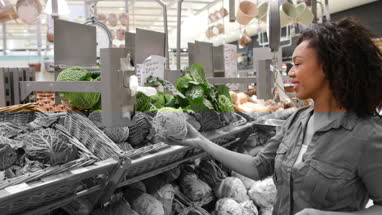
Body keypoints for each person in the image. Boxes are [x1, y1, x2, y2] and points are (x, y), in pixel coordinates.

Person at [167, 17, 382, 215]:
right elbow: (258, 166)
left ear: (328, 67)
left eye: (297, 64)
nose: (290, 72)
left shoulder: (367, 136)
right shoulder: (298, 120)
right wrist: (202, 142)